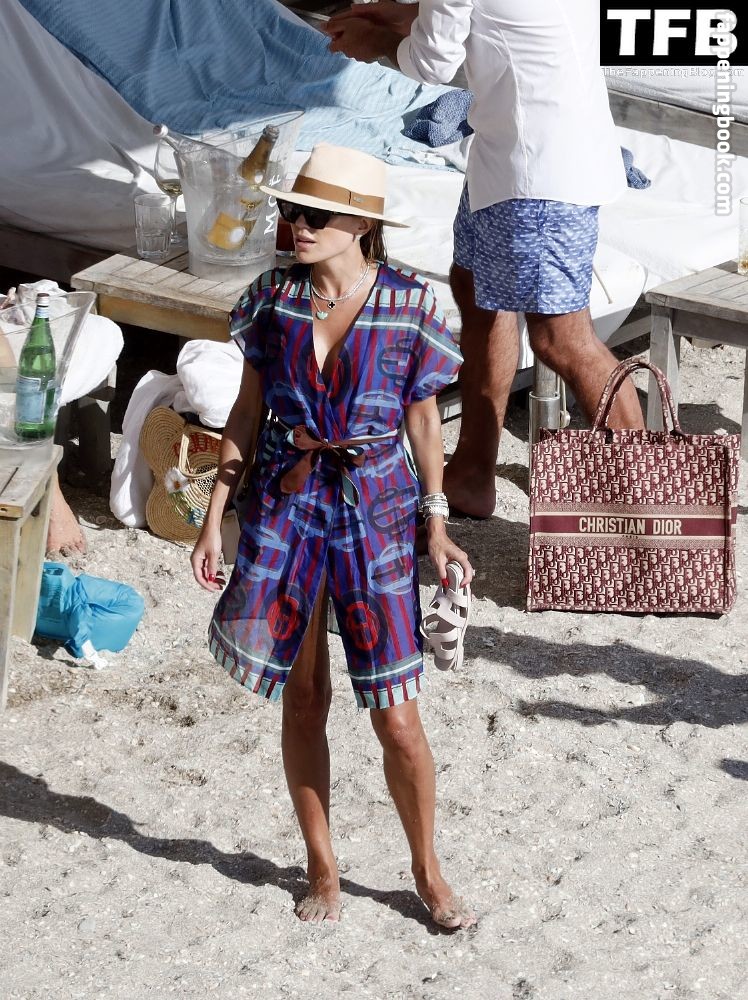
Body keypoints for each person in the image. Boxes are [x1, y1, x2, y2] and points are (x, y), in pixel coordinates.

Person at [191, 144, 476, 929]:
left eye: (317, 214)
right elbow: (246, 413)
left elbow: (425, 422)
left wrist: (438, 524)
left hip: (375, 509)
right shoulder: (271, 301)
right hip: (286, 505)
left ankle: (427, 870)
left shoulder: (411, 305)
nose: (299, 225)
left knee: (397, 715)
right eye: (292, 211)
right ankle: (322, 868)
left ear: (362, 225)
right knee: (304, 697)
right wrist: (214, 518)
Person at [326, 0, 645, 518]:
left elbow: (431, 62)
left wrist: (377, 40)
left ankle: (652, 520)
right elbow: (487, 17)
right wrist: (400, 14)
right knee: (475, 291)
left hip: (539, 172)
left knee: (562, 338)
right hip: (516, 155)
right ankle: (473, 473)